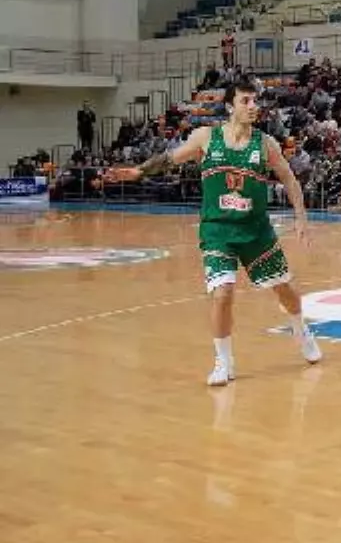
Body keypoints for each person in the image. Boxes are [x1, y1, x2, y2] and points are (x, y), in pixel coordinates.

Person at [104, 82, 321, 386]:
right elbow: (170, 158)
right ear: (231, 106)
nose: (253, 106)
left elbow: (289, 178)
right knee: (222, 294)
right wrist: (139, 171)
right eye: (246, 101)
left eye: (255, 101)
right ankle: (224, 361)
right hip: (218, 230)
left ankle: (301, 330)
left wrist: (301, 217)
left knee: (284, 289)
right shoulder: (207, 137)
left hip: (256, 230)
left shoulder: (265, 143)